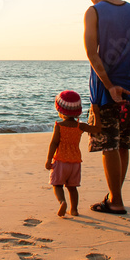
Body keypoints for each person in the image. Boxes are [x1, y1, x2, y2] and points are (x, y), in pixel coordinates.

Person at [82, 0, 130, 215]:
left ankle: (116, 202)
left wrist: (109, 86)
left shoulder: (94, 11)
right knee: (122, 144)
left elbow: (91, 53)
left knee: (109, 145)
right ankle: (113, 196)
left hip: (106, 91)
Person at [44, 90, 101, 218]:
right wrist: (96, 112)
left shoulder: (59, 126)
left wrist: (48, 159)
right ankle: (74, 210)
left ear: (60, 110)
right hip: (75, 162)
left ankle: (62, 202)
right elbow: (97, 129)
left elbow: (54, 143)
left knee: (57, 185)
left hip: (60, 161)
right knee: (72, 187)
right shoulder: (80, 126)